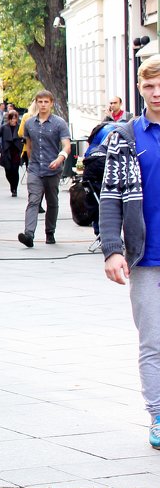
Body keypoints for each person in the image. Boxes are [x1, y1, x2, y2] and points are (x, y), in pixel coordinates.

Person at [99, 54, 160, 450]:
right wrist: (112, 249)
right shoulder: (126, 135)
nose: (157, 93)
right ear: (139, 89)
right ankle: (158, 415)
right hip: (147, 258)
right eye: (150, 86)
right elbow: (111, 198)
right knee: (153, 340)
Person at [17, 90, 71, 248]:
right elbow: (29, 145)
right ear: (36, 103)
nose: (43, 105)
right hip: (34, 168)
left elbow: (67, 145)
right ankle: (29, 234)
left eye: (46, 102)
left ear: (51, 103)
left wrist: (59, 158)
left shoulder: (59, 123)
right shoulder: (29, 123)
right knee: (33, 200)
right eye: (40, 102)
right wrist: (29, 163)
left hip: (53, 169)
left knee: (52, 202)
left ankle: (50, 232)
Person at [0, 110, 24, 197]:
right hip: (7, 152)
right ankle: (12, 185)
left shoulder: (19, 127)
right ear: (9, 119)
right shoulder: (4, 127)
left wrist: (22, 147)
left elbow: (25, 137)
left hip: (16, 152)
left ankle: (14, 189)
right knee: (8, 171)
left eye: (15, 118)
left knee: (15, 171)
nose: (13, 120)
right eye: (11, 118)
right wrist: (0, 149)